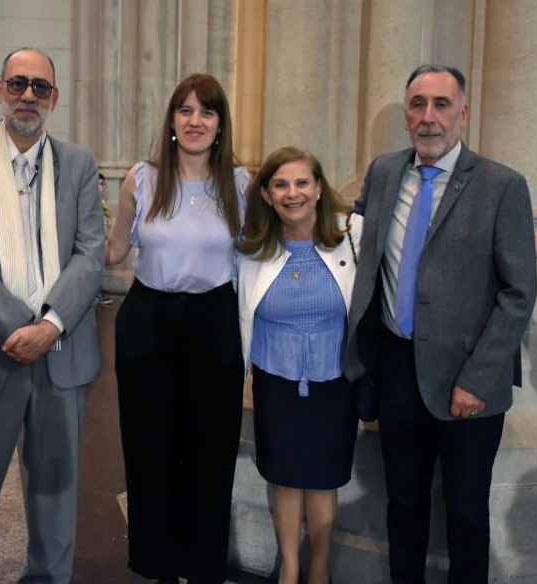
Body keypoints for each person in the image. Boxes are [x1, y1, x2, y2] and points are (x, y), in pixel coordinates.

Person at [343, 64, 537, 583]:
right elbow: (357, 239)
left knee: (466, 511)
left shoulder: (502, 186)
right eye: (417, 104)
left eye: (441, 105)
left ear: (463, 114)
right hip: (398, 368)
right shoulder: (384, 172)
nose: (428, 117)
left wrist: (477, 378)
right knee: (403, 504)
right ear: (406, 114)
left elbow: (518, 294)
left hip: (467, 378)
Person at [0, 47, 104, 584]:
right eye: (18, 84)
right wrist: (18, 326)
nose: (29, 96)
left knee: (55, 497)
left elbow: (90, 252)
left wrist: (50, 326)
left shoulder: (78, 164)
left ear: (56, 97)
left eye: (41, 87)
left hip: (63, 356)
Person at [106, 73, 249, 583]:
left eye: (206, 112)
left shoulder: (239, 184)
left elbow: (259, 255)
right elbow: (114, 249)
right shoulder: (141, 179)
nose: (195, 121)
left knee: (210, 455)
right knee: (150, 452)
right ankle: (159, 566)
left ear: (219, 124)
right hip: (149, 322)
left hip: (213, 324)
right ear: (171, 121)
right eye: (185, 111)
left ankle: (203, 568)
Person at [237, 146, 360, 584]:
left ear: (319, 188)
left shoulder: (351, 237)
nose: (293, 193)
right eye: (281, 185)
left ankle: (320, 568)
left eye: (302, 182)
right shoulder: (251, 249)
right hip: (276, 382)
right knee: (286, 479)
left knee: (323, 480)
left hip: (334, 384)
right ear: (268, 195)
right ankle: (290, 565)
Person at [96, 172, 114, 306]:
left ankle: (97, 293)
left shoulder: (101, 202)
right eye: (99, 184)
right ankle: (95, 295)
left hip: (101, 240)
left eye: (103, 184)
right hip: (93, 244)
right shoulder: (90, 202)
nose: (101, 187)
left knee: (99, 270)